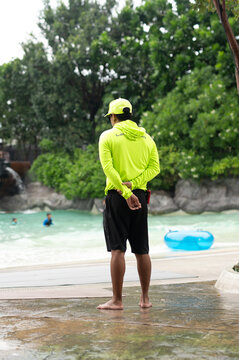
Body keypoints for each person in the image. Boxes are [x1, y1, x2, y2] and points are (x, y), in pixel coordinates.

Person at [98, 98, 160, 310]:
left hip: (117, 197)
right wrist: (135, 185)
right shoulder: (147, 139)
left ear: (113, 117)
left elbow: (109, 169)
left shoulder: (107, 136)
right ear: (130, 115)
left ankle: (117, 300)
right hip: (141, 195)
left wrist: (125, 192)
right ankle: (145, 299)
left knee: (118, 250)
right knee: (142, 249)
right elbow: (155, 169)